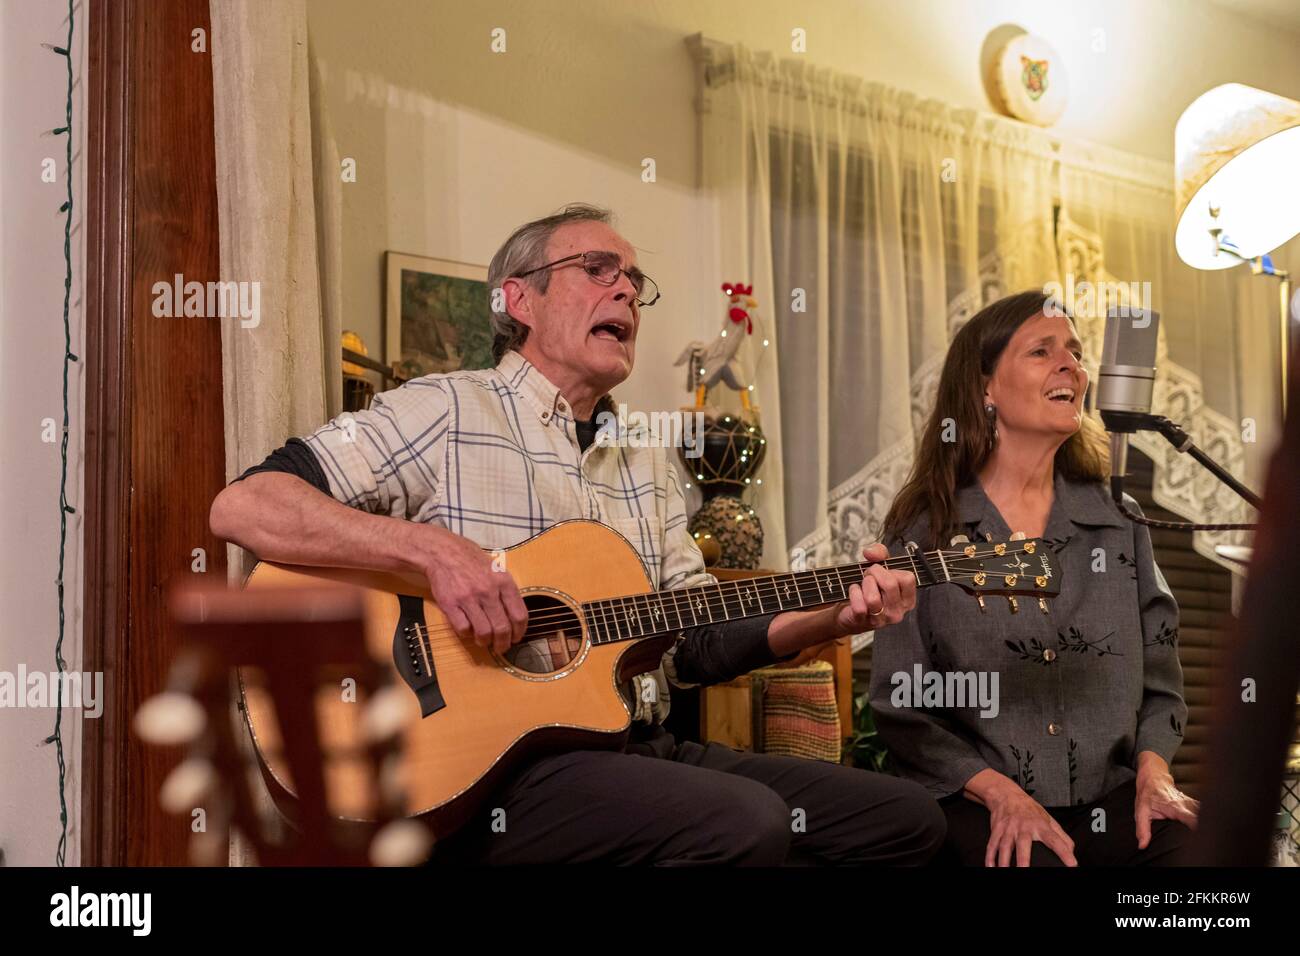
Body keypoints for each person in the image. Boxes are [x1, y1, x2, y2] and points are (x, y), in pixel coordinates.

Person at [210, 202, 945, 865]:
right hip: (490, 774)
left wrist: (835, 613)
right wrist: (433, 552)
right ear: (519, 300)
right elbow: (247, 506)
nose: (625, 290)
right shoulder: (447, 409)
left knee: (904, 818)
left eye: (633, 280)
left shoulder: (645, 458)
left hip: (632, 745)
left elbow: (691, 645)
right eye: (598, 270)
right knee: (745, 822)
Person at [871, 290, 1198, 866]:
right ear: (984, 389)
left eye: (1074, 350)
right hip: (978, 802)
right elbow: (902, 704)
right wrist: (1001, 794)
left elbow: (1161, 677)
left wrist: (1154, 773)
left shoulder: (1119, 519)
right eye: (1041, 351)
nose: (1070, 363)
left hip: (1112, 797)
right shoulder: (922, 530)